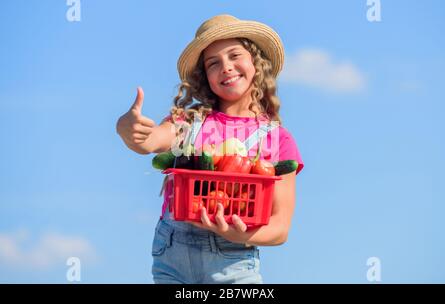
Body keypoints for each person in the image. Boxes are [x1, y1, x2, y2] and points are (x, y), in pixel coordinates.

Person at [116, 14, 304, 284]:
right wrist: (127, 128)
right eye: (213, 63)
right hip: (172, 257)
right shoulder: (188, 122)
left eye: (234, 55)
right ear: (205, 76)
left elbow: (280, 228)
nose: (226, 67)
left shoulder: (277, 139)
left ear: (256, 63)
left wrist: (237, 235)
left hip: (234, 261)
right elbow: (149, 141)